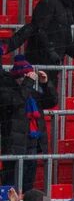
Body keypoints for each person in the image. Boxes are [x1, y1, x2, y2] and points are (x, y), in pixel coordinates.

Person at [0, 56, 58, 189]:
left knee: (28, 187)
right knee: (11, 187)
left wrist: (46, 83)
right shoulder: (6, 91)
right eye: (25, 76)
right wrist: (28, 82)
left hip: (32, 146)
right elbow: (17, 102)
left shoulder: (31, 92)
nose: (29, 78)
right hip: (14, 149)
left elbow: (52, 101)